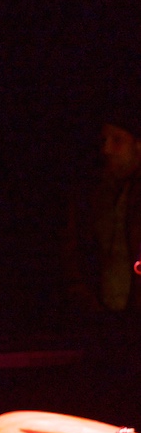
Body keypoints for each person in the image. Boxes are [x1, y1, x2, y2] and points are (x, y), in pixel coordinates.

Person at [62, 110, 141, 314]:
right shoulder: (91, 194)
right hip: (101, 315)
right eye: (104, 140)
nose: (106, 149)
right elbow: (75, 249)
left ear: (138, 146)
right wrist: (81, 294)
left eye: (117, 141)